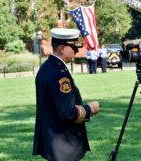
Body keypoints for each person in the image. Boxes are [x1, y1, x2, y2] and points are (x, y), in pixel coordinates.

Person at [33, 28, 100, 161]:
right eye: (73, 48)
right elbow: (68, 112)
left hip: (53, 141)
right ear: (62, 48)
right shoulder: (60, 74)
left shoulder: (47, 67)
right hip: (63, 144)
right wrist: (89, 108)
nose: (76, 51)